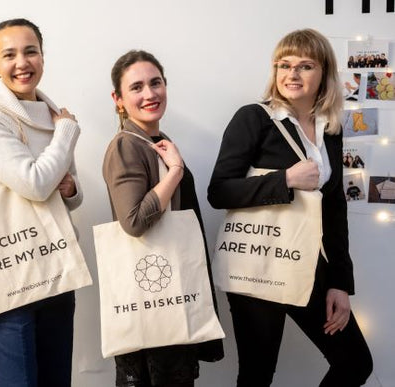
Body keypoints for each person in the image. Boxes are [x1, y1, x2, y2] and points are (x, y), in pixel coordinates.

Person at [207, 29, 373, 387]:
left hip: (312, 267)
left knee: (356, 363)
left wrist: (341, 283)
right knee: (257, 375)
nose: (292, 74)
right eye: (284, 65)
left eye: (305, 65)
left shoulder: (331, 129)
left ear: (324, 73)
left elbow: (334, 208)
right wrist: (285, 180)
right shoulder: (254, 118)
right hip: (259, 263)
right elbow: (219, 191)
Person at [0, 18, 82, 387]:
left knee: (55, 379)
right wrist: (66, 132)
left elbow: (67, 195)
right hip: (8, 274)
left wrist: (71, 190)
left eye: (30, 51)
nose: (22, 62)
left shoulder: (52, 114)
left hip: (56, 267)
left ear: (43, 56)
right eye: (9, 54)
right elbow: (34, 184)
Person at [103, 50, 224, 387]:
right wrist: (175, 173)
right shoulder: (127, 146)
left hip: (169, 289)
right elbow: (134, 222)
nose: (149, 94)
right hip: (152, 294)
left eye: (156, 83)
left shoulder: (157, 141)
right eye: (137, 87)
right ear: (119, 99)